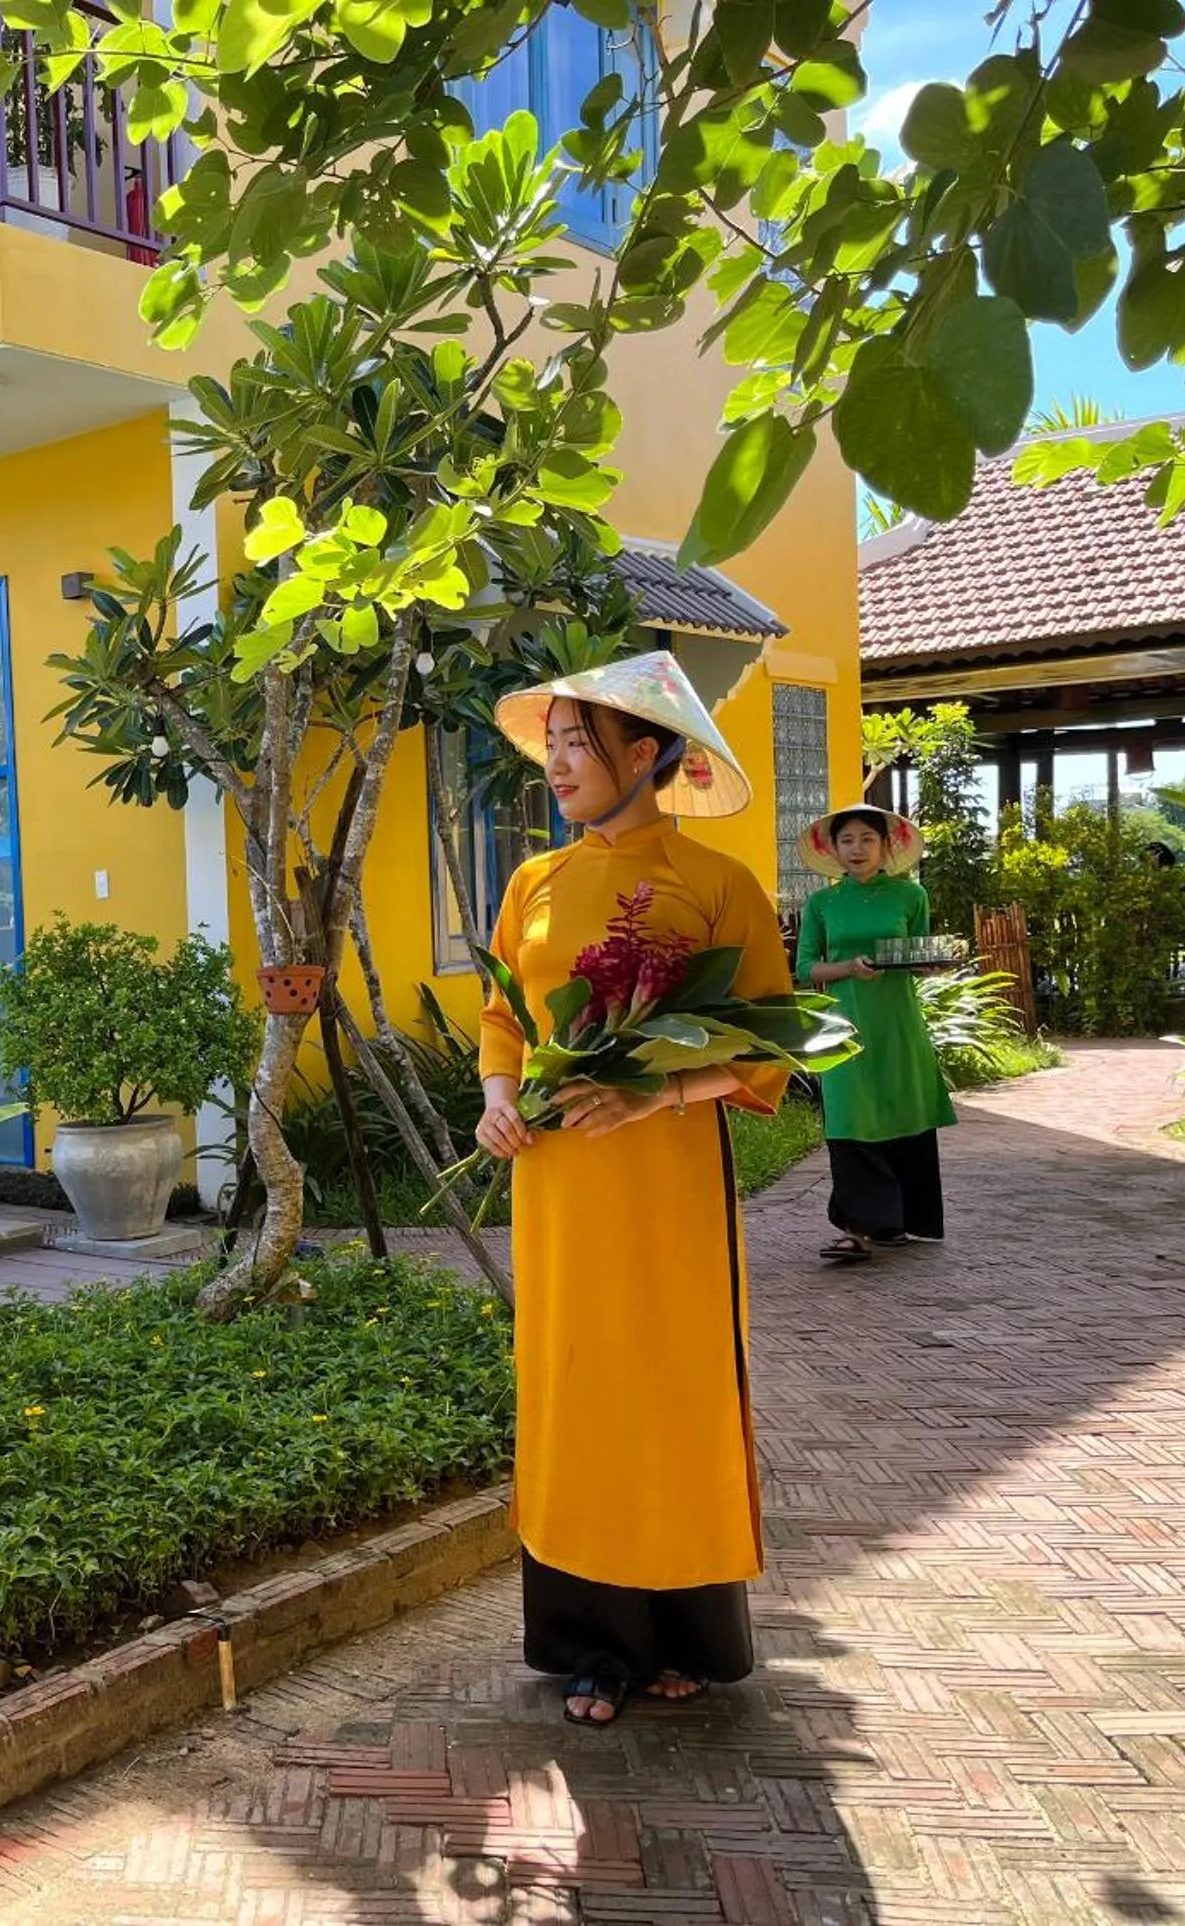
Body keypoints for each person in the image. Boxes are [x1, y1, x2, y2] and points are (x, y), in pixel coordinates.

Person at [473, 651, 793, 1728]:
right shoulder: (534, 884)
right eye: (553, 742)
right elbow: (502, 1017)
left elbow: (772, 1049)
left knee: (672, 1385)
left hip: (667, 1184)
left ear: (646, 754)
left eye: (579, 743)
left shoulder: (721, 886)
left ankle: (688, 1638)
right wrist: (495, 1099)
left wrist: (659, 1098)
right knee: (576, 1387)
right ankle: (590, 1645)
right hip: (560, 1181)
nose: (557, 763)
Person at [792, 806, 957, 1263]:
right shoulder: (822, 904)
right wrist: (848, 968)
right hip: (843, 1022)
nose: (857, 849)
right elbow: (805, 968)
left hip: (898, 1021)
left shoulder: (911, 895)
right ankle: (860, 1226)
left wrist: (931, 963)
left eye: (867, 839)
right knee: (848, 1118)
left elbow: (919, 956)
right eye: (847, 841)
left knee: (901, 1110)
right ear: (833, 849)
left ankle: (901, 1222)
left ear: (887, 847)